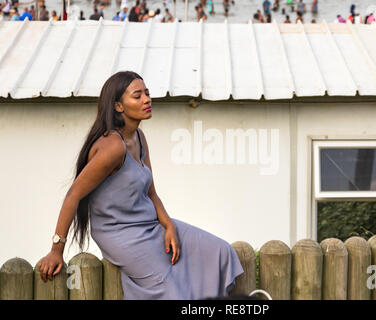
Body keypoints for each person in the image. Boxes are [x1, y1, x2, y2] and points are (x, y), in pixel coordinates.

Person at [37, 71, 244, 300]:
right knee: (169, 292)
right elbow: (73, 195)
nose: (147, 99)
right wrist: (56, 250)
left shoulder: (139, 138)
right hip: (119, 234)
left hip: (150, 223)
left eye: (147, 93)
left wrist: (169, 226)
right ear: (118, 106)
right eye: (137, 96)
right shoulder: (112, 147)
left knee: (220, 252)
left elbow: (151, 192)